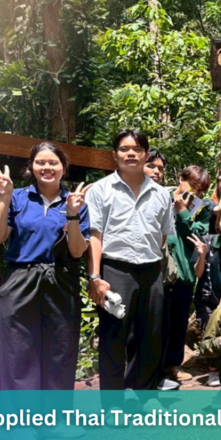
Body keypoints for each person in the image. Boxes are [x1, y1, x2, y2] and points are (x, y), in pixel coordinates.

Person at [0, 144, 89, 390]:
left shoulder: (75, 202)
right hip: (21, 278)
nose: (47, 167)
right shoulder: (17, 197)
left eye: (53, 162)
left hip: (60, 280)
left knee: (60, 351)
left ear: (63, 168)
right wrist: (4, 198)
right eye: (40, 162)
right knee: (18, 352)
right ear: (31, 167)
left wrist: (72, 215)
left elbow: (77, 251)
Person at [85, 130, 175, 393]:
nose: (131, 154)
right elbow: (94, 236)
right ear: (115, 155)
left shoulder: (161, 194)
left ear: (146, 155)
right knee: (113, 339)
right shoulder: (100, 190)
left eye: (137, 149)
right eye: (124, 149)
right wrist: (95, 276)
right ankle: (113, 404)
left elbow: (162, 236)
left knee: (150, 338)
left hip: (151, 271)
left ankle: (145, 397)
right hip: (115, 270)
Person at [159, 164, 212, 389]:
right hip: (160, 270)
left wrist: (182, 212)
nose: (195, 192)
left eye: (200, 190)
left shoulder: (202, 208)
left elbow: (198, 233)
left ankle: (173, 365)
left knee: (179, 320)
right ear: (181, 179)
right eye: (193, 186)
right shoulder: (161, 196)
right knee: (157, 320)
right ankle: (154, 368)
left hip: (184, 270)